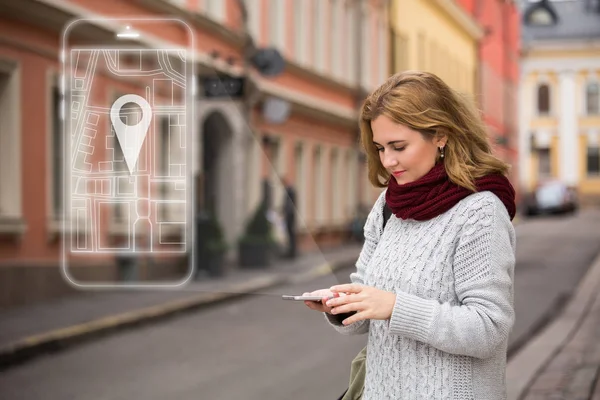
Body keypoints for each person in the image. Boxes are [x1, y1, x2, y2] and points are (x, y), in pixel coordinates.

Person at [303, 71, 517, 399]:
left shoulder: (479, 212)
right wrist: (342, 305)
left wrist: (394, 307)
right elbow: (366, 305)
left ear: (441, 136)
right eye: (379, 148)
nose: (387, 161)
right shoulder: (388, 205)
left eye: (398, 146)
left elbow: (488, 328)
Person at [281, 176, 297, 259]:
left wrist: (285, 212)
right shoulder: (290, 191)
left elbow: (289, 204)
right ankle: (291, 251)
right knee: (290, 233)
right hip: (290, 215)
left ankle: (292, 252)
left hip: (290, 215)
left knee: (290, 233)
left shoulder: (290, 191)